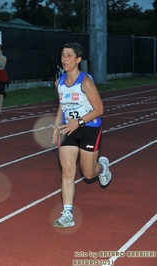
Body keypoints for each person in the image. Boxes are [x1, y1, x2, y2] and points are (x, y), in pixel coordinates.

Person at [51, 42, 112, 228]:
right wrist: (56, 124)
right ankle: (67, 214)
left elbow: (99, 109)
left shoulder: (85, 82)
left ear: (78, 60)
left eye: (69, 55)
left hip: (89, 128)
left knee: (88, 173)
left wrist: (78, 122)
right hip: (68, 129)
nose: (65, 59)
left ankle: (102, 167)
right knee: (68, 171)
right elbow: (63, 102)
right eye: (63, 55)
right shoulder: (59, 82)